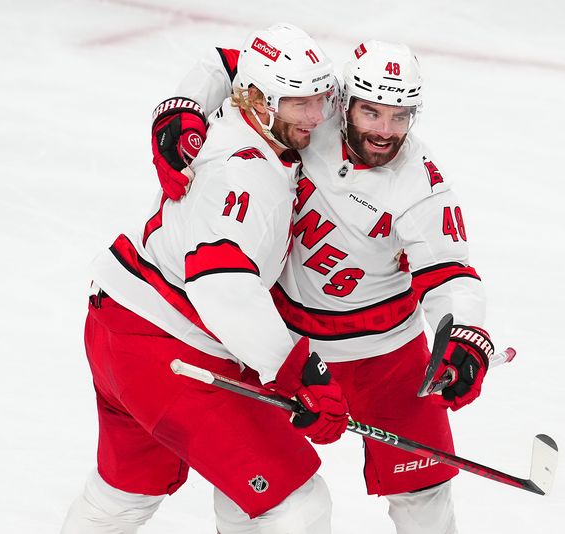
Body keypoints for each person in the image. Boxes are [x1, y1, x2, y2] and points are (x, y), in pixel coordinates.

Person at [152, 39, 496, 534]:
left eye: (400, 116)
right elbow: (231, 62)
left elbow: (450, 273)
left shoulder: (422, 184)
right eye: (372, 111)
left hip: (387, 355)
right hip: (288, 342)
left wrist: (465, 333)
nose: (384, 131)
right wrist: (181, 107)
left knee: (425, 494)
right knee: (250, 492)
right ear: (344, 97)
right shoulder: (306, 117)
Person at [62, 24, 350, 534]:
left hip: (120, 327)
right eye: (299, 103)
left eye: (320, 98)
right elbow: (223, 286)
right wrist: (298, 371)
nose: (317, 116)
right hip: (170, 354)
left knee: (124, 496)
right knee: (297, 505)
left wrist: (178, 103)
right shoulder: (245, 176)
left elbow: (226, 60)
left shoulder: (238, 116)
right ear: (260, 101)